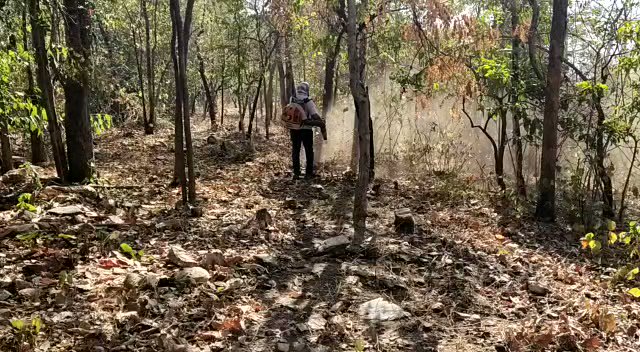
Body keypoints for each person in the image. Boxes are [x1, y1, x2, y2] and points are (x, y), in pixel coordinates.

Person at [289, 82, 325, 180]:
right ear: (307, 90)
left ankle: (296, 173)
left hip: (294, 129)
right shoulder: (308, 101)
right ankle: (308, 173)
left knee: (295, 150)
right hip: (306, 130)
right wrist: (321, 122)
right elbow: (314, 115)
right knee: (309, 150)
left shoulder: (292, 99)